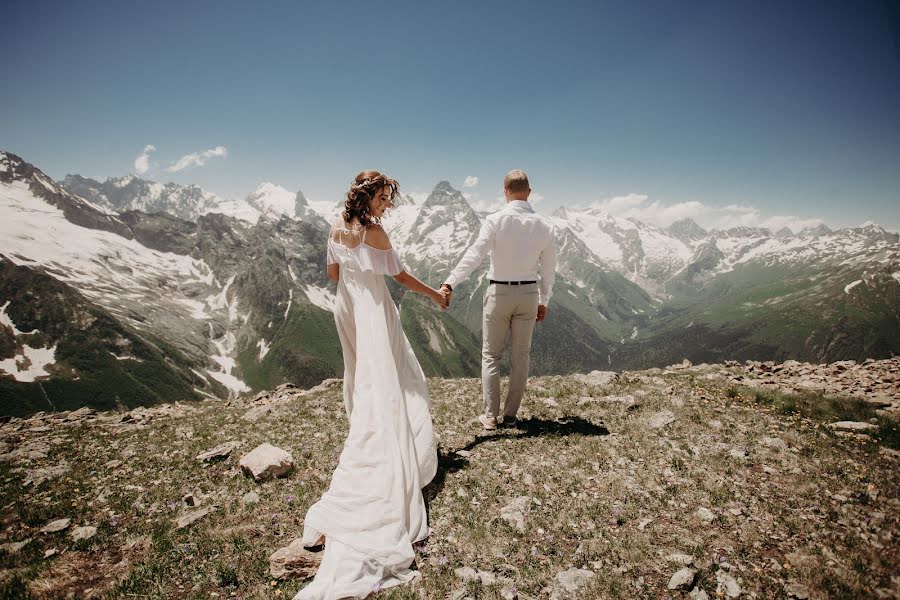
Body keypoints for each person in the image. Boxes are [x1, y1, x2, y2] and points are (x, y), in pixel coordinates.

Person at [294, 171, 444, 599]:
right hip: (373, 309)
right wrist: (435, 294)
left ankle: (368, 426)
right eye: (381, 198)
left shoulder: (335, 225)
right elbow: (400, 276)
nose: (385, 205)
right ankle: (392, 441)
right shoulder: (375, 233)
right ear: (366, 197)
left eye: (386, 198)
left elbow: (331, 272)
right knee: (398, 377)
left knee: (364, 377)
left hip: (347, 306)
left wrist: (355, 279)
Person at [440, 169, 557, 430]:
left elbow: (475, 255)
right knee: (521, 356)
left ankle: (490, 416)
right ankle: (511, 416)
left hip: (499, 293)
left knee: (491, 355)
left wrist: (450, 282)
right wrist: (544, 300)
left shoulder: (494, 220)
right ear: (529, 192)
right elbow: (548, 270)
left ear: (505, 192)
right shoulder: (546, 225)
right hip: (529, 293)